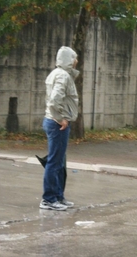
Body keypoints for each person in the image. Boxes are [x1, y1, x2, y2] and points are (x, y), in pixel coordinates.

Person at [40, 46, 79, 211]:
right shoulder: (63, 76)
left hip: (54, 121)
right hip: (57, 124)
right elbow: (55, 100)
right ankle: (48, 199)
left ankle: (57, 196)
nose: (76, 61)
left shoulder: (58, 73)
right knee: (55, 162)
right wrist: (61, 118)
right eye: (74, 57)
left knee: (59, 162)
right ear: (68, 59)